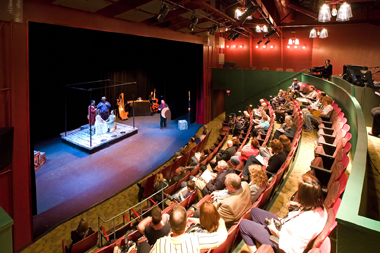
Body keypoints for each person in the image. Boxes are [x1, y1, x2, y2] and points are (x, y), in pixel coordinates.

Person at [239, 174, 327, 253]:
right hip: (285, 227)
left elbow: (294, 248)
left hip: (281, 243)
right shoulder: (319, 206)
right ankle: (260, 237)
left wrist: (275, 231)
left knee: (244, 224)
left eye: (299, 191)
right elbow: (309, 209)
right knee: (254, 212)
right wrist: (299, 205)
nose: (297, 192)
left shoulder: (306, 224)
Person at [150, 205, 227, 253]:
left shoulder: (160, 243)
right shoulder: (195, 239)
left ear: (170, 224)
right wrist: (218, 219)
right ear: (185, 224)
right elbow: (221, 236)